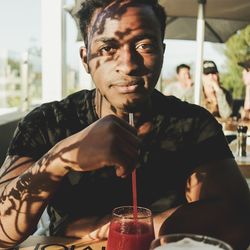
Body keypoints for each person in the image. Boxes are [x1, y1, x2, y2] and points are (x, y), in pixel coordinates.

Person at [0, 1, 250, 249]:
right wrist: (59, 159)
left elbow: (238, 219)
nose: (129, 65)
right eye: (108, 48)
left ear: (162, 52)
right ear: (86, 59)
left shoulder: (192, 124)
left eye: (145, 45)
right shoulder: (49, 122)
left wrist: (114, 225)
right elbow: (2, 232)